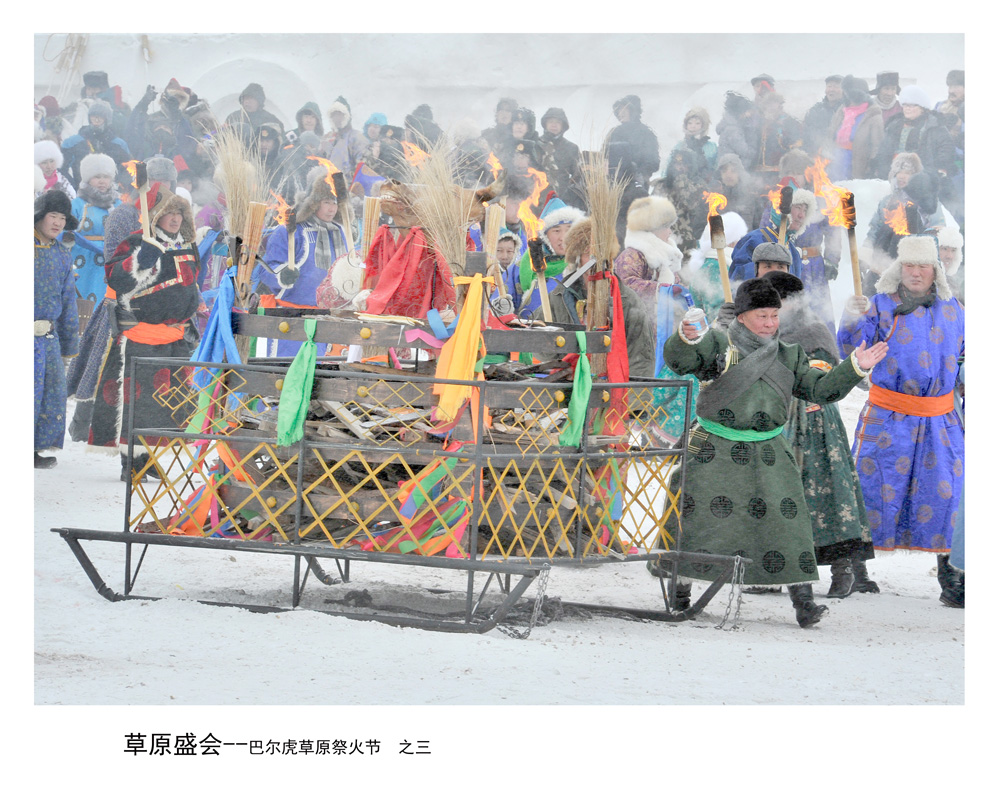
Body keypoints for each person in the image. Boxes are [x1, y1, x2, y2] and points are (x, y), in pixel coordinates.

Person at [661, 277, 887, 625]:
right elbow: (683, 360)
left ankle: (803, 602)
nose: (770, 323)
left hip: (769, 451)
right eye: (762, 316)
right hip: (714, 450)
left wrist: (855, 366)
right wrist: (688, 337)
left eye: (774, 316)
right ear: (741, 316)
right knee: (695, 519)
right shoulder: (719, 344)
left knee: (789, 525)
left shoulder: (790, 354)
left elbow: (821, 390)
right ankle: (680, 592)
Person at [837, 234, 964, 607]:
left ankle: (953, 578)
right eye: (909, 265)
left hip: (940, 419)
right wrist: (852, 316)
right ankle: (853, 570)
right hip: (887, 415)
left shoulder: (955, 309)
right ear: (899, 268)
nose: (915, 272)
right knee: (868, 489)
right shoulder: (877, 307)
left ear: (935, 270)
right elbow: (850, 348)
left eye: (923, 265)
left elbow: (964, 357)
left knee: (948, 496)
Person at [764, 270, 876, 597]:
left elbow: (824, 377)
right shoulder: (761, 330)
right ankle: (774, 567)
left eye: (773, 303)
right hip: (773, 422)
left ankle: (843, 570)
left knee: (826, 495)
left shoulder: (813, 332)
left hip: (813, 425)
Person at [88, 184, 202, 482]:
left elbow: (192, 283)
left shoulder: (187, 244)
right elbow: (117, 279)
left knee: (167, 402)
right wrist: (143, 257)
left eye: (179, 212)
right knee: (137, 402)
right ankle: (131, 460)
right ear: (154, 217)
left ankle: (148, 456)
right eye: (168, 213)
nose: (175, 219)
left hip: (176, 337)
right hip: (141, 336)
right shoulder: (136, 243)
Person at [539, 217, 654, 376]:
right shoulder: (559, 298)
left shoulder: (628, 301)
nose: (596, 262)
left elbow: (640, 361)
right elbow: (541, 350)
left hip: (613, 389)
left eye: (600, 254)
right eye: (589, 254)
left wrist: (634, 399)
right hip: (566, 389)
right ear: (578, 259)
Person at [261, 170, 350, 356]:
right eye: (326, 202)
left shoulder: (340, 233)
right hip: (291, 318)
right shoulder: (290, 232)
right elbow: (266, 267)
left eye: (335, 203)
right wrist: (282, 275)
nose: (332, 208)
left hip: (327, 319)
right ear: (314, 202)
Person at [34, 191, 80, 469]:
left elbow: (68, 300)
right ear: (39, 216)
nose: (58, 223)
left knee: (48, 394)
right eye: (53, 216)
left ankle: (33, 448)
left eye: (63, 218)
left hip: (47, 337)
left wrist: (69, 344)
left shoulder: (62, 255)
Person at [614, 196, 684, 326]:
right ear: (652, 229)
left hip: (661, 326)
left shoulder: (664, 255)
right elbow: (625, 285)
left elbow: (675, 285)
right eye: (666, 227)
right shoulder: (631, 256)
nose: (670, 232)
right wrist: (660, 289)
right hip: (636, 327)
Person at [871, 85, 956, 188]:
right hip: (894, 178)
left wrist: (932, 175)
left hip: (924, 181)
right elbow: (884, 152)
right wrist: (884, 172)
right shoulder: (894, 126)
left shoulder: (935, 127)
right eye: (905, 105)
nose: (907, 109)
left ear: (922, 108)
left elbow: (946, 153)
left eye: (912, 106)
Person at [70, 153, 122, 304]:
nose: (101, 181)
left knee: (105, 299)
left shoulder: (118, 205)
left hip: (110, 260)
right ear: (88, 178)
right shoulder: (77, 204)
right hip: (83, 260)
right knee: (81, 299)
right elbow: (66, 233)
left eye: (105, 176)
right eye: (96, 176)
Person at [728, 188, 811, 282]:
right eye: (798, 208)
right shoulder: (755, 239)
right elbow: (738, 279)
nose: (801, 215)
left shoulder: (794, 253)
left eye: (805, 210)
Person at [60, 100, 131, 187]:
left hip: (110, 195)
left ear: (107, 119)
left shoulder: (119, 145)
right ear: (89, 118)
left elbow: (128, 170)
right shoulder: (72, 142)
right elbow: (61, 169)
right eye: (94, 116)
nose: (96, 120)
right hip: (82, 194)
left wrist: (118, 188)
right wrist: (73, 187)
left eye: (100, 117)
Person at [826, 75, 884, 180]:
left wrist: (870, 169)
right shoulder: (842, 111)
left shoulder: (873, 115)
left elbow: (877, 146)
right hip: (837, 162)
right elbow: (831, 134)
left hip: (857, 166)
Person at [604, 95, 660, 191]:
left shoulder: (646, 133)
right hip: (615, 183)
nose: (620, 113)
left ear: (633, 111)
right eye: (619, 110)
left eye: (624, 110)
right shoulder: (614, 132)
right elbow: (605, 157)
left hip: (637, 184)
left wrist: (640, 174)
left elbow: (654, 162)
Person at [538, 107, 585, 210]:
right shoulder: (535, 145)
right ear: (545, 124)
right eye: (551, 121)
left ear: (563, 126)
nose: (554, 125)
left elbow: (578, 176)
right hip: (536, 200)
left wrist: (569, 195)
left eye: (558, 122)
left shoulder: (571, 148)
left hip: (562, 201)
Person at [666, 107, 718, 184]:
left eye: (697, 123)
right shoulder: (680, 146)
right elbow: (669, 166)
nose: (693, 126)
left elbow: (716, 168)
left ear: (704, 125)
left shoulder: (712, 147)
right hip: (682, 186)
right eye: (690, 123)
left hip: (706, 187)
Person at [322, 96, 367, 174]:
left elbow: (363, 165)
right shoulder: (328, 139)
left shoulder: (356, 137)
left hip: (348, 183)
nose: (337, 118)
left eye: (340, 114)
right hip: (330, 182)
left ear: (347, 116)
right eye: (334, 115)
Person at [802, 75, 844, 156]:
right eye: (829, 86)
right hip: (818, 157)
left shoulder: (848, 110)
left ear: (844, 90)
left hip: (841, 157)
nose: (832, 89)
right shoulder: (816, 110)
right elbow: (806, 135)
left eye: (836, 86)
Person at [937, 226, 964, 304]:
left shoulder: (953, 283)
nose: (949, 256)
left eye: (953, 250)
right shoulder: (921, 281)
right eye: (944, 249)